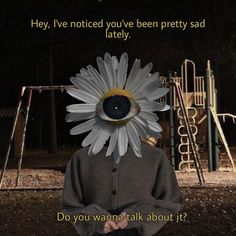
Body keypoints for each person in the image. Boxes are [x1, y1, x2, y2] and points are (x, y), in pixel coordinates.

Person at [60, 53, 183, 235]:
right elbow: (69, 208)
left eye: (123, 106)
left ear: (139, 111)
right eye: (111, 107)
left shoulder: (155, 158)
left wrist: (137, 217)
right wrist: (96, 219)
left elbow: (171, 203)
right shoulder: (81, 159)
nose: (116, 110)